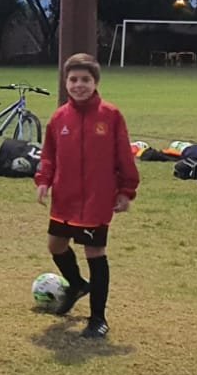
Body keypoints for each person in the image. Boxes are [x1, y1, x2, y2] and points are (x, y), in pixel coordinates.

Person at [35, 52, 139, 339]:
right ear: (65, 82)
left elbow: (123, 157)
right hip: (65, 199)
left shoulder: (111, 115)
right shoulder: (59, 118)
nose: (78, 85)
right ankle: (77, 284)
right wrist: (43, 181)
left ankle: (98, 318)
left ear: (95, 82)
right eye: (73, 79)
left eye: (85, 79)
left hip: (96, 200)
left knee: (95, 253)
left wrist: (126, 191)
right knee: (56, 246)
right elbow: (49, 155)